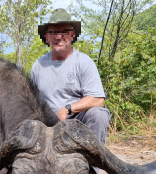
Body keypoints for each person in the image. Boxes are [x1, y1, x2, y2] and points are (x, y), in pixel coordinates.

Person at [31, 8, 111, 146]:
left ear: (72, 35)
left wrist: (67, 109)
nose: (59, 36)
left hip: (76, 124)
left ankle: (92, 166)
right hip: (46, 126)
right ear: (47, 37)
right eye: (54, 32)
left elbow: (97, 99)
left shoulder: (83, 62)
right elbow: (30, 101)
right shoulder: (38, 66)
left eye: (64, 31)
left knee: (100, 114)